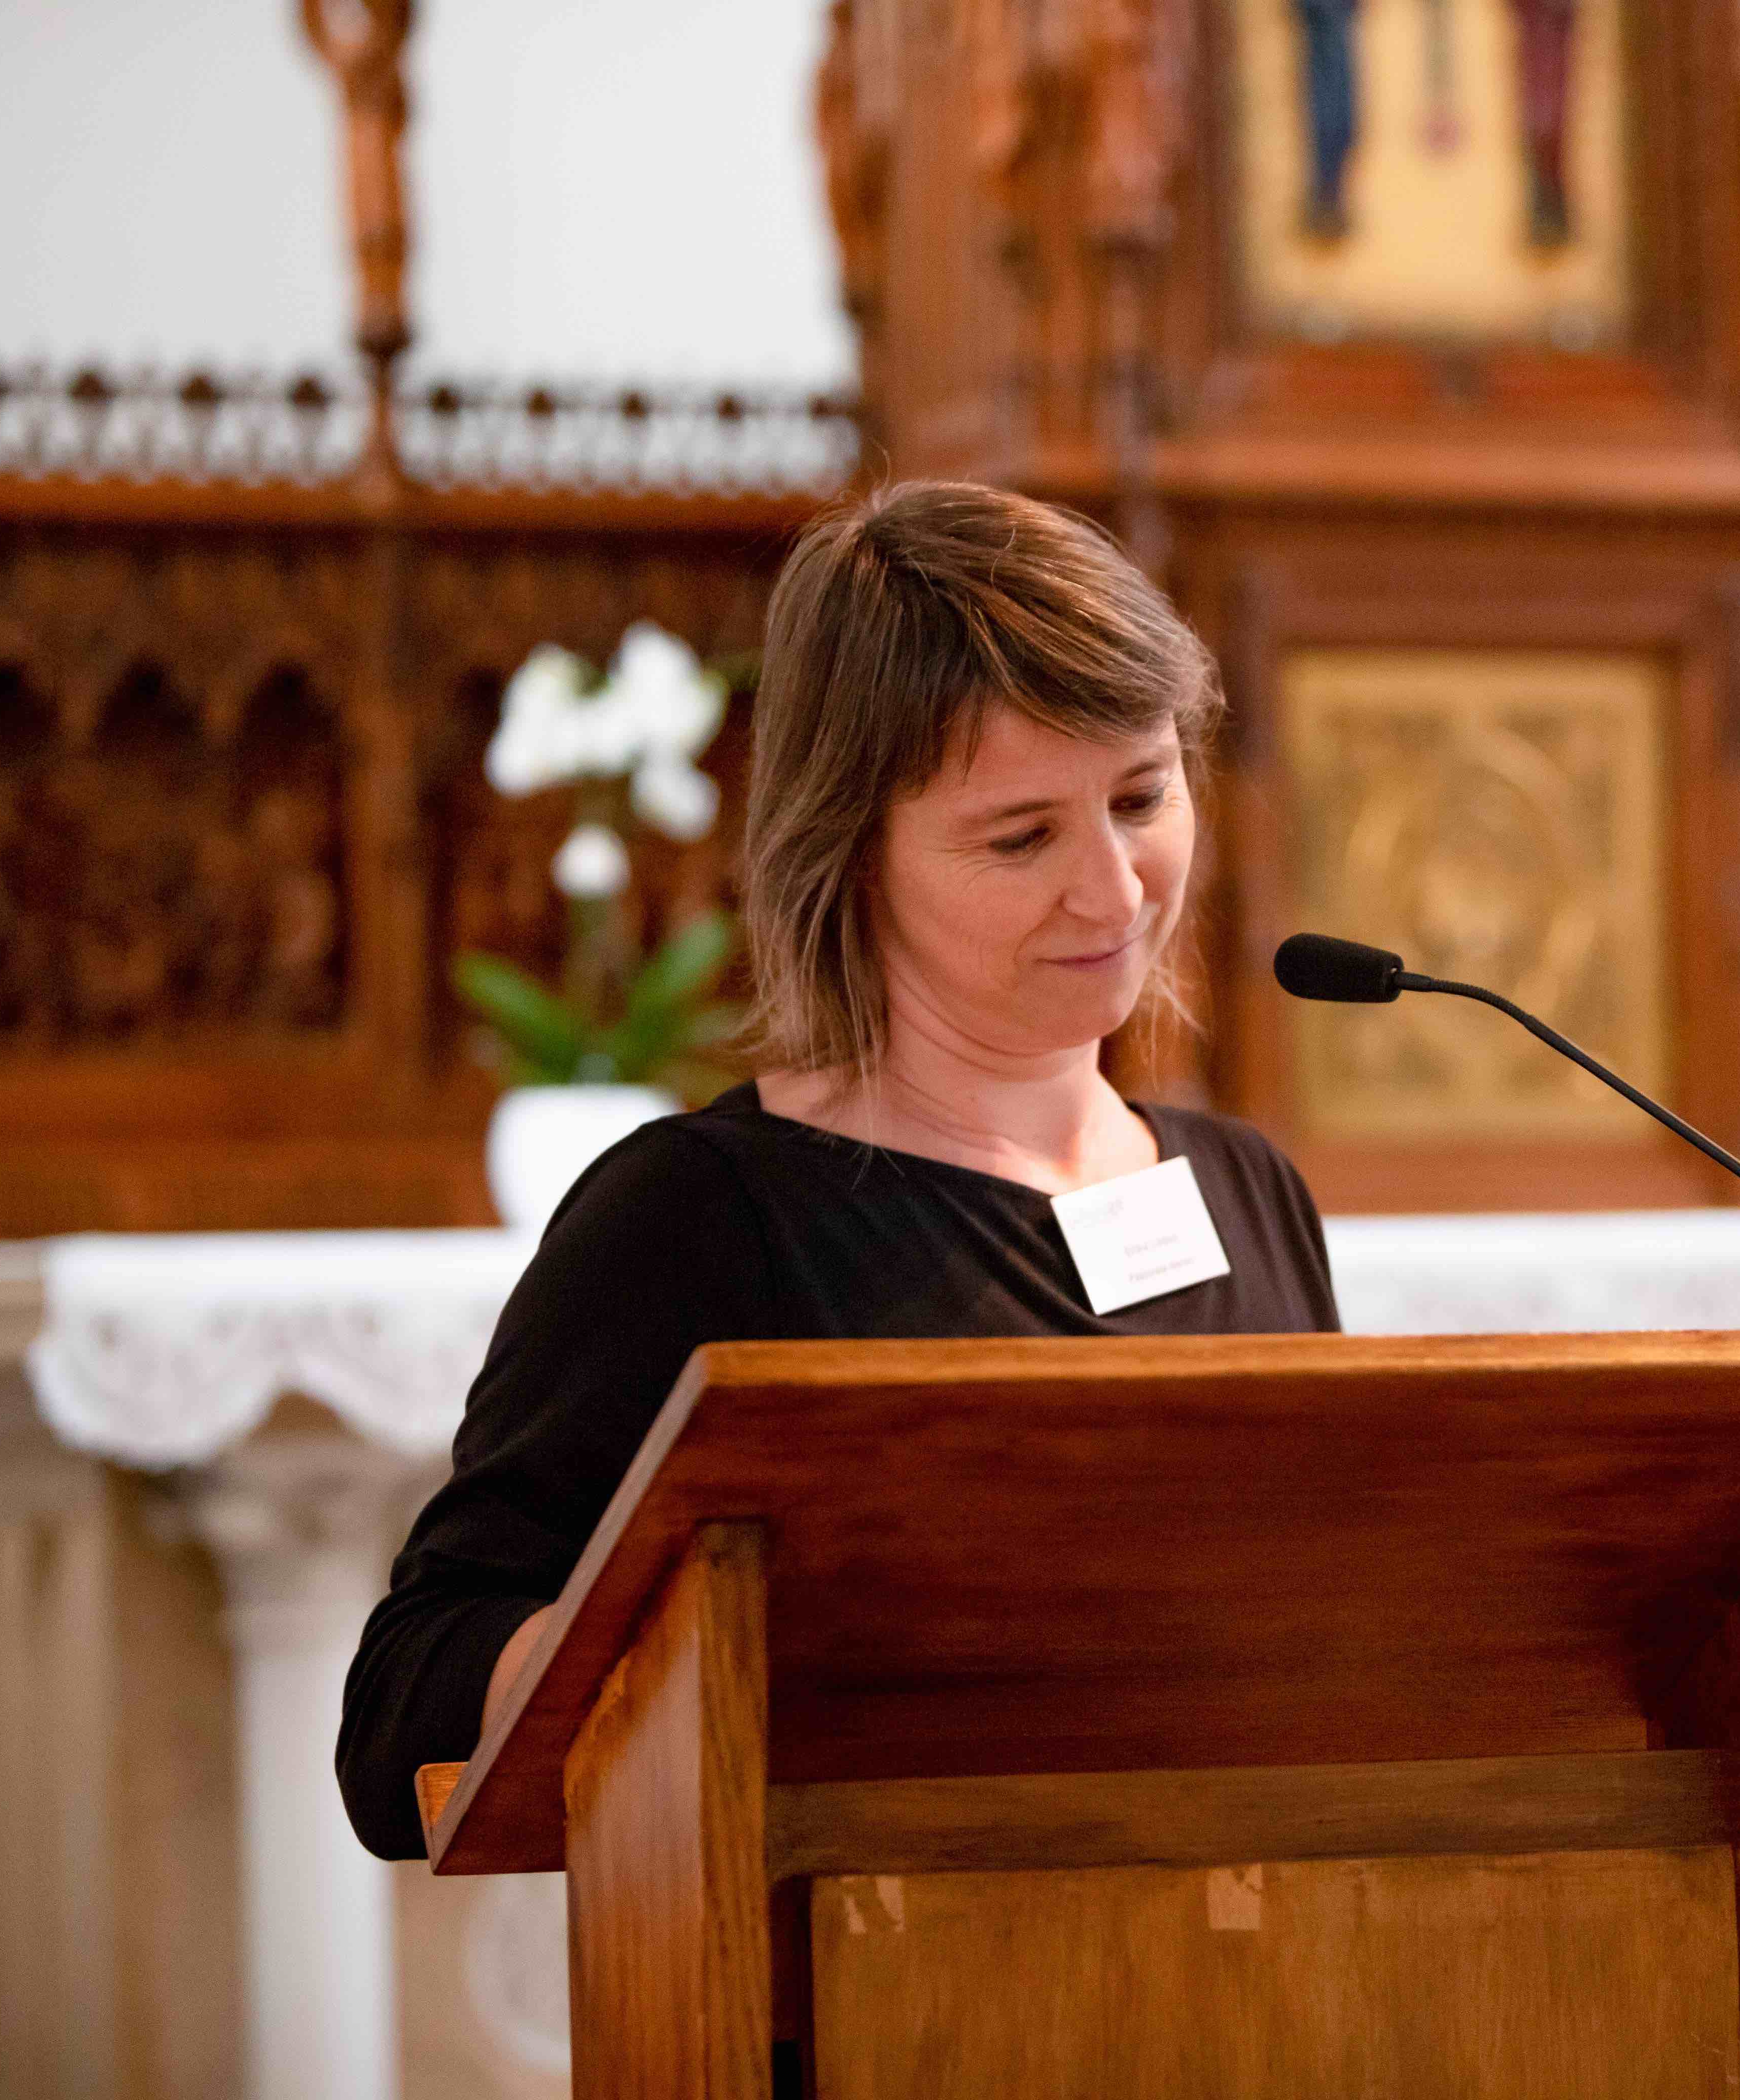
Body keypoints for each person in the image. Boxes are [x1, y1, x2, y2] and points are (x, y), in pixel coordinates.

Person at [336, 481, 1341, 1860]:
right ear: (851, 854)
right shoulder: (699, 1220)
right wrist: (721, 1649)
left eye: (1141, 796)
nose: (1115, 893)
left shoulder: (1244, 1190)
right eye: (1021, 836)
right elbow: (403, 1716)